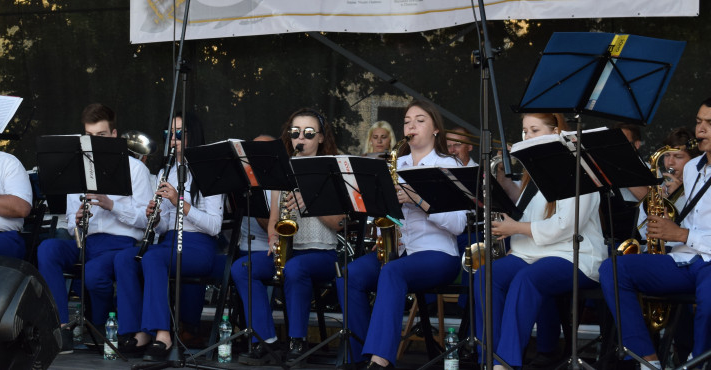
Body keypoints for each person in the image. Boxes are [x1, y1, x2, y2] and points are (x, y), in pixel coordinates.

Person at [338, 100, 467, 369]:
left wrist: (418, 200)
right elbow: (384, 211)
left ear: (435, 130)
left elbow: (457, 224)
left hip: (438, 254)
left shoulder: (449, 164)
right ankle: (361, 355)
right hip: (399, 250)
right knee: (350, 275)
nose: (411, 125)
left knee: (393, 272)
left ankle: (380, 360)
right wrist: (385, 226)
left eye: (420, 120)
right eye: (407, 121)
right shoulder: (397, 163)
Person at [478, 112, 604, 370]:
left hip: (573, 255)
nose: (527, 137)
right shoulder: (535, 169)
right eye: (525, 131)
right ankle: (488, 359)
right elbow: (529, 207)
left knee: (528, 279)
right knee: (486, 276)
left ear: (556, 131)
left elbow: (566, 226)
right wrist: (501, 180)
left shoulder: (578, 167)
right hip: (531, 252)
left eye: (534, 130)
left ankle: (506, 363)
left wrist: (515, 228)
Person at [600, 99, 711, 370]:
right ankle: (646, 360)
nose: (701, 130)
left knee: (709, 304)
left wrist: (682, 234)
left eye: (709, 124)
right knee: (613, 269)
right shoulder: (694, 167)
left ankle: (696, 365)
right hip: (683, 261)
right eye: (699, 122)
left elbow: (687, 232)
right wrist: (663, 225)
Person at [36, 103, 152, 353]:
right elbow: (69, 222)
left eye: (101, 136)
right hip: (87, 243)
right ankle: (61, 327)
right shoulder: (77, 168)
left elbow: (147, 221)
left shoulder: (136, 169)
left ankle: (101, 325)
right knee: (47, 249)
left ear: (114, 135)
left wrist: (112, 205)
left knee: (94, 273)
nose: (95, 142)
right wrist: (76, 219)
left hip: (121, 245)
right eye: (89, 137)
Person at [234, 108, 343, 366]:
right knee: (242, 267)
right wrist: (273, 236)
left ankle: (297, 341)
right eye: (295, 133)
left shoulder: (330, 171)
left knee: (296, 268)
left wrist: (310, 204)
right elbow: (273, 220)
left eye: (308, 133)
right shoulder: (280, 170)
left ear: (320, 138)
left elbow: (340, 224)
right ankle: (266, 341)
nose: (300, 139)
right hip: (289, 251)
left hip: (322, 253)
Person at [114, 111, 224, 360]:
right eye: (168, 134)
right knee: (125, 258)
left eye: (178, 134)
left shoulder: (209, 169)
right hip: (169, 242)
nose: (172, 139)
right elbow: (164, 226)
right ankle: (138, 331)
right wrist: (156, 217)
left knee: (152, 260)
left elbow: (215, 226)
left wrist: (179, 201)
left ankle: (162, 334)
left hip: (199, 247)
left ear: (192, 135)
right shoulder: (168, 171)